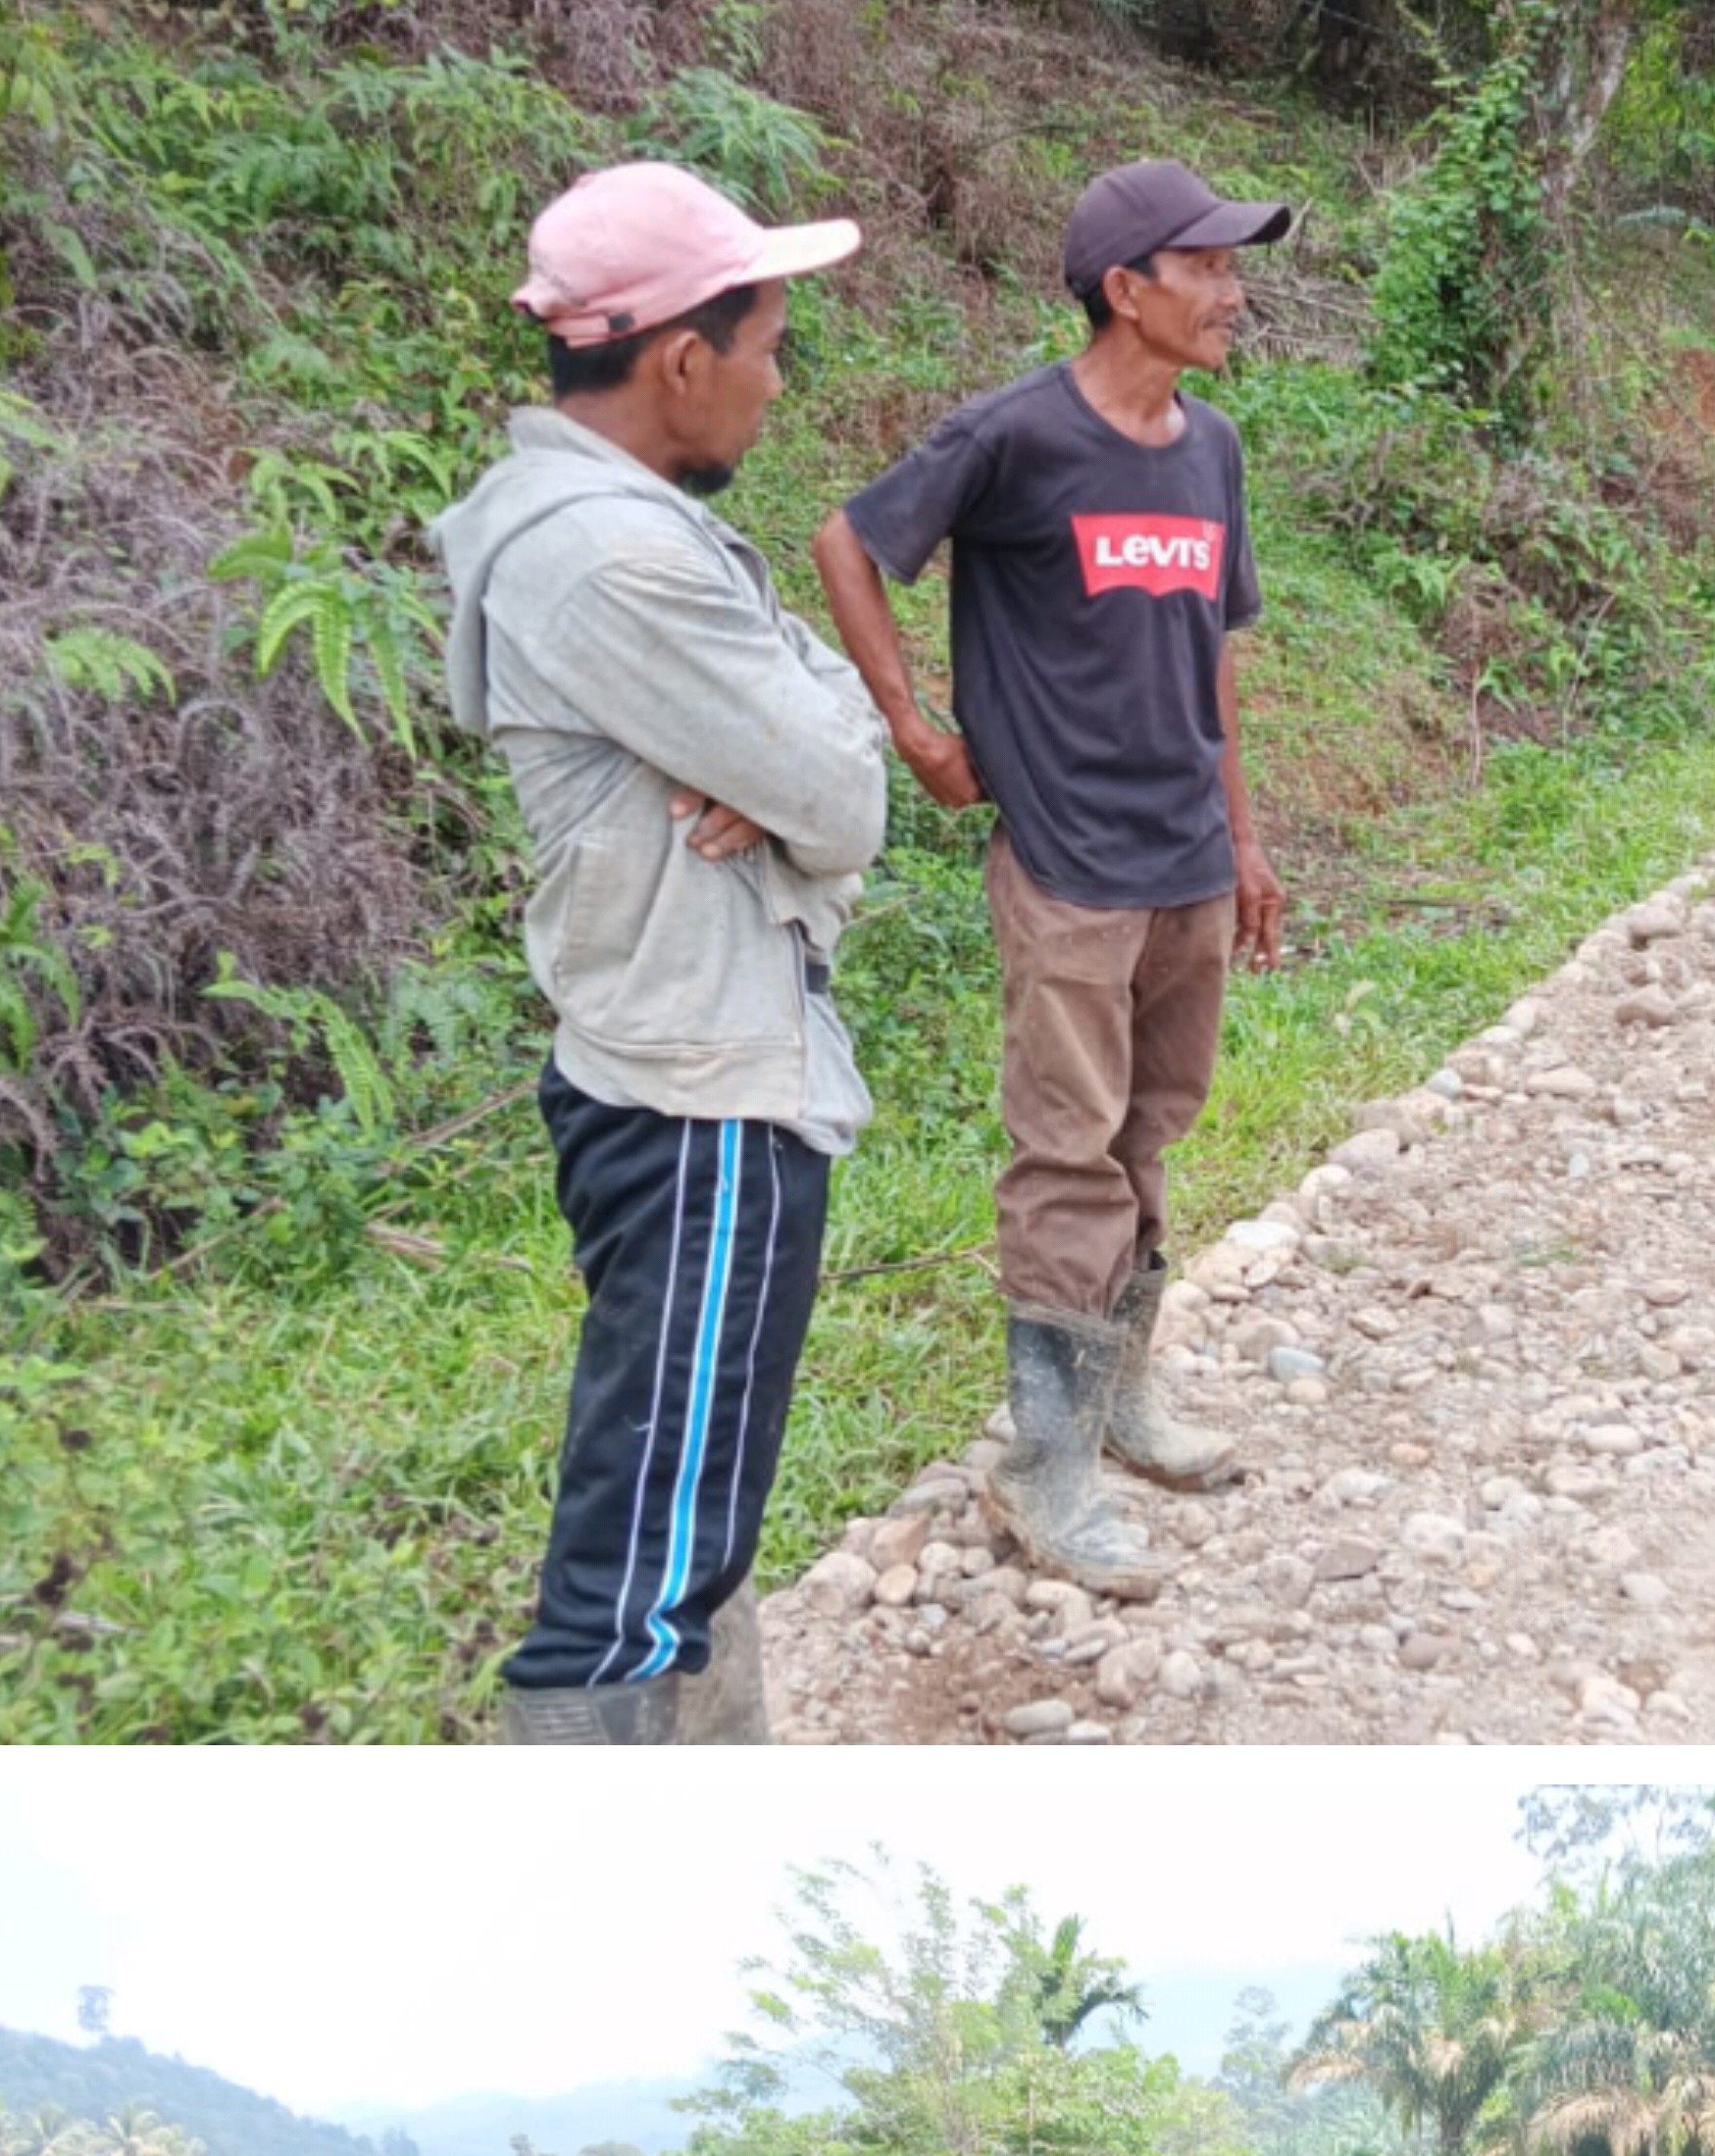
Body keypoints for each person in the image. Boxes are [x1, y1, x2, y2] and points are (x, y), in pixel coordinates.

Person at [433, 160, 890, 1744]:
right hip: (698, 1098)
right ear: (683, 358)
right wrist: (804, 754)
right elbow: (845, 798)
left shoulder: (612, 526)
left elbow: (820, 721)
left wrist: (797, 734)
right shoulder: (612, 559)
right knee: (632, 1582)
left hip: (685, 1061)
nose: (776, 382)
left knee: (685, 1515)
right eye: (767, 347)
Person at [811, 155, 1288, 1599]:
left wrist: (1245, 840)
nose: (1233, 292)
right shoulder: (1015, 435)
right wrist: (914, 728)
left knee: (1147, 1132)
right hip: (1069, 860)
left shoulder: (1210, 449)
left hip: (1184, 857)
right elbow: (849, 541)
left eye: (1234, 266)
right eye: (1207, 267)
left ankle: (1120, 1398)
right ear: (1125, 289)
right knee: (1065, 1149)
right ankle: (1045, 1461)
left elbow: (1213, 656)